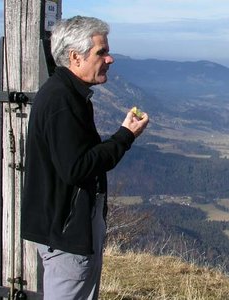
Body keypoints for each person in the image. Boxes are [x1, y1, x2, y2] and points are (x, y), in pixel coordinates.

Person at [21, 15, 149, 299]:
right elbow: (78, 168)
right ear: (75, 57)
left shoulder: (64, 94)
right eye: (101, 52)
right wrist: (125, 135)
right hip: (68, 234)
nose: (110, 59)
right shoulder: (61, 101)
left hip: (65, 229)